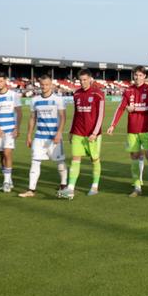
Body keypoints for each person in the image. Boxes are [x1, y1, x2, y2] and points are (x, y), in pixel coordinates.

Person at [106, 66, 148, 197]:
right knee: (134, 157)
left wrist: (135, 109)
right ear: (133, 76)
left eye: (140, 75)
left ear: (144, 76)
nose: (137, 77)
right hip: (132, 130)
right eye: (135, 75)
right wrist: (113, 125)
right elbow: (121, 108)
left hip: (147, 129)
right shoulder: (128, 90)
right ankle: (137, 186)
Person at [58, 69, 105, 200]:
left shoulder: (98, 94)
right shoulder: (77, 94)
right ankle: (70, 189)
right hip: (78, 132)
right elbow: (76, 114)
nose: (83, 82)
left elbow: (101, 115)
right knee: (75, 158)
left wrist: (95, 133)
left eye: (85, 79)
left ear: (90, 79)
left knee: (94, 159)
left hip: (92, 134)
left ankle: (95, 186)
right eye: (81, 80)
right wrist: (72, 131)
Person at [19, 74, 67, 198]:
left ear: (51, 85)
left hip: (54, 136)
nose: (44, 87)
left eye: (47, 85)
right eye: (42, 85)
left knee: (59, 162)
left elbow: (63, 117)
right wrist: (29, 135)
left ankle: (63, 185)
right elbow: (32, 118)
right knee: (35, 162)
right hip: (39, 137)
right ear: (39, 85)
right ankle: (31, 190)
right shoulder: (35, 100)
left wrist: (59, 133)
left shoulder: (58, 99)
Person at [0, 72, 22, 193]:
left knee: (7, 153)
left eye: (1, 81)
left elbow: (19, 112)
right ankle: (9, 180)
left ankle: (6, 182)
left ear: (5, 81)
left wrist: (17, 128)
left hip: (10, 130)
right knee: (1, 156)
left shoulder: (14, 95)